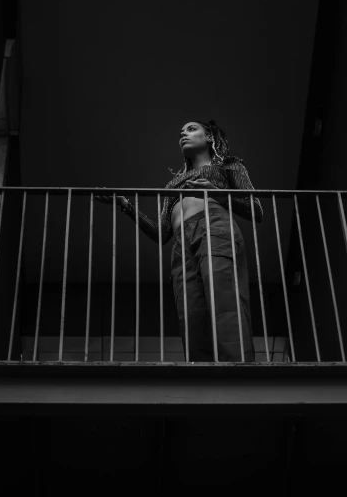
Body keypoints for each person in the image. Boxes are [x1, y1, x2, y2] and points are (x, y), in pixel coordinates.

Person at [98, 120, 263, 362]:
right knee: (191, 313)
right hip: (180, 243)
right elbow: (161, 233)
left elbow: (255, 210)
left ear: (209, 137)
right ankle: (202, 377)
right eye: (181, 132)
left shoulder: (229, 166)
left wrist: (214, 192)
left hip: (213, 226)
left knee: (224, 300)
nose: (183, 134)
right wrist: (126, 206)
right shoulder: (173, 184)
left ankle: (239, 371)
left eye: (192, 129)